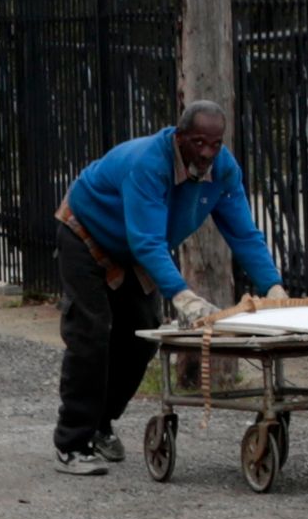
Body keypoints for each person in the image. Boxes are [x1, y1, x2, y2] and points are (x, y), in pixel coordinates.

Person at [47, 97, 280, 475]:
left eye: (216, 144)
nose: (207, 153)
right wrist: (182, 295)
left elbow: (243, 232)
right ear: (180, 136)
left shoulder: (222, 170)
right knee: (91, 333)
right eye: (199, 143)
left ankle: (101, 423)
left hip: (135, 245)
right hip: (87, 232)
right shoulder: (149, 163)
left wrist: (272, 286)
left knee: (141, 338)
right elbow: (147, 242)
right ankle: (72, 443)